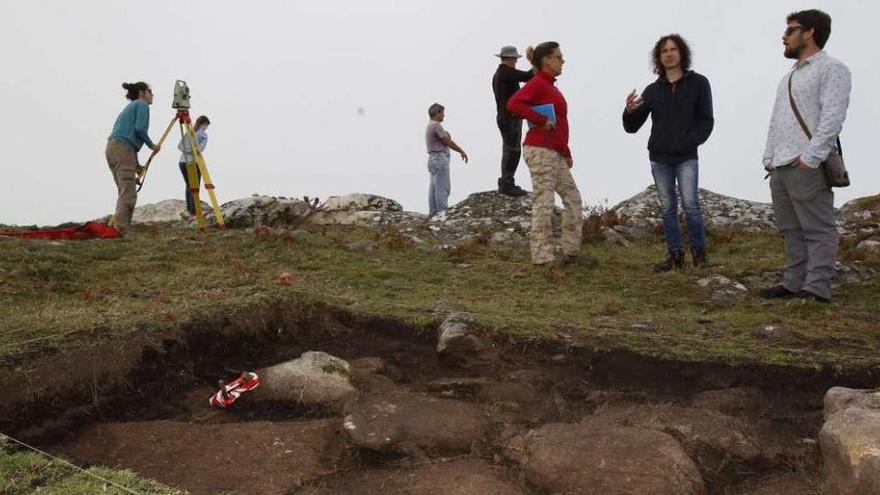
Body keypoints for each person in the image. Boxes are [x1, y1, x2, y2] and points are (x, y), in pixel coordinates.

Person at [759, 9, 850, 303]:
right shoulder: (786, 78)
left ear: (809, 32)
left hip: (808, 163)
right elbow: (776, 119)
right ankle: (793, 282)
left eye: (790, 30)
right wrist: (768, 158)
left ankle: (817, 287)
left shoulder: (833, 69)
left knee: (817, 227)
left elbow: (832, 117)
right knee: (790, 229)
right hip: (781, 166)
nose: (784, 37)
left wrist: (811, 157)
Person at [622, 34, 714, 272]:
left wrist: (689, 141)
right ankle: (675, 255)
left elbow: (706, 121)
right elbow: (632, 127)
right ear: (659, 58)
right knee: (667, 208)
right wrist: (629, 110)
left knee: (692, 204)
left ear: (682, 53)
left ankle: (699, 255)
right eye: (664, 51)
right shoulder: (652, 90)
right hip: (659, 158)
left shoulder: (699, 83)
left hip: (686, 156)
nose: (669, 54)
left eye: (673, 49)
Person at [507, 42, 583, 266]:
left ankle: (570, 252)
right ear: (546, 61)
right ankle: (542, 258)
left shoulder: (551, 87)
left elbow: (559, 124)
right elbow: (513, 103)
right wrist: (541, 120)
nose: (563, 61)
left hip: (555, 152)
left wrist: (565, 151)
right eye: (559, 57)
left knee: (573, 199)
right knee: (544, 202)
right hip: (540, 150)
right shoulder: (538, 83)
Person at [106, 81, 159, 233]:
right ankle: (122, 228)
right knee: (128, 192)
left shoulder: (130, 107)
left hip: (114, 148)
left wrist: (136, 166)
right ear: (142, 92)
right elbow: (139, 129)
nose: (152, 94)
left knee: (125, 189)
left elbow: (129, 137)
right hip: (123, 149)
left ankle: (121, 226)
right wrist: (152, 145)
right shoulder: (141, 104)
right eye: (150, 91)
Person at [492, 45, 533, 197]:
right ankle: (507, 183)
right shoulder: (506, 72)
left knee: (509, 149)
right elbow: (528, 76)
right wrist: (537, 63)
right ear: (509, 59)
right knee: (513, 151)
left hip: (504, 117)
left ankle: (506, 181)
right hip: (510, 117)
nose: (516, 61)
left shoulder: (499, 74)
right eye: (515, 59)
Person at [425, 103, 468, 216]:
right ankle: (442, 213)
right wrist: (460, 150)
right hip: (439, 158)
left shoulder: (429, 125)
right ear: (437, 112)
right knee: (442, 187)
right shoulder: (436, 125)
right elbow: (446, 141)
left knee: (434, 186)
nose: (444, 115)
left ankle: (433, 212)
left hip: (432, 159)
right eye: (442, 113)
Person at [177, 115, 210, 216]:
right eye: (206, 126)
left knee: (189, 186)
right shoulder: (203, 135)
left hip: (182, 162)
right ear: (204, 124)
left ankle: (189, 209)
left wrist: (187, 151)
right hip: (193, 162)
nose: (206, 128)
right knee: (195, 186)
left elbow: (179, 146)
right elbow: (199, 151)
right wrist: (192, 151)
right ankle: (194, 211)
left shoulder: (189, 132)